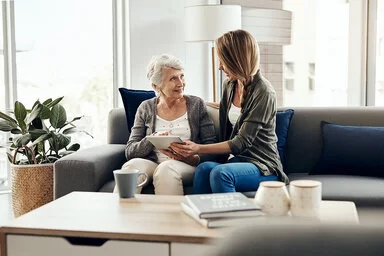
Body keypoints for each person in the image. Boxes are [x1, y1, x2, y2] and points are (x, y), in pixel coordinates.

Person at [170, 30, 289, 194]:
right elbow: (227, 127)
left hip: (263, 165)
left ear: (237, 60)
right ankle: (200, 217)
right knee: (204, 169)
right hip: (237, 160)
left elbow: (240, 143)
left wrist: (198, 148)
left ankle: (232, 219)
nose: (219, 67)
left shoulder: (264, 92)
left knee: (221, 173)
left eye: (223, 61)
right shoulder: (230, 85)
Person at [115, 54, 216, 195]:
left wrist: (192, 158)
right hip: (152, 162)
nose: (180, 83)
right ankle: (121, 215)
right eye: (173, 78)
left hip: (186, 165)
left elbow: (211, 145)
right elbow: (130, 151)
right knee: (132, 167)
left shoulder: (196, 105)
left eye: (182, 76)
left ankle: (171, 218)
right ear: (156, 85)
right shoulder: (146, 107)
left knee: (166, 170)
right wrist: (153, 139)